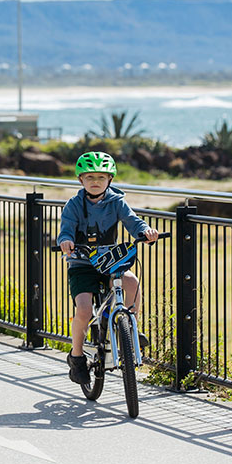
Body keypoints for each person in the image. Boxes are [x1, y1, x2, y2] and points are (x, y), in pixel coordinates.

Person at [56, 151, 158, 385]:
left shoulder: (117, 202)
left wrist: (145, 231)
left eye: (101, 177)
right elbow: (66, 229)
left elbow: (133, 222)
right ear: (80, 180)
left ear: (110, 180)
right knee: (83, 309)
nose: (95, 182)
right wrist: (65, 241)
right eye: (89, 177)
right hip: (81, 262)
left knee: (131, 281)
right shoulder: (73, 204)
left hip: (109, 260)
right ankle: (77, 356)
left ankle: (130, 328)